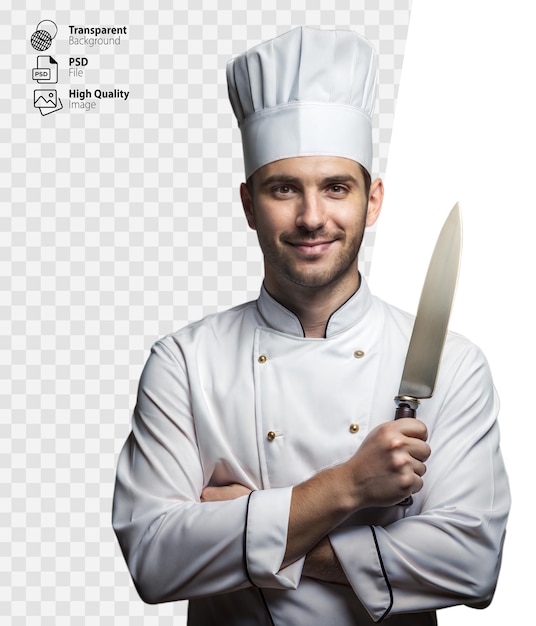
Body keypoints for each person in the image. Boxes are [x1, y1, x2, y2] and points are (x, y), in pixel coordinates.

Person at [112, 26, 510, 625]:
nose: (312, 217)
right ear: (249, 204)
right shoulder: (184, 362)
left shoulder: (451, 363)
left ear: (371, 201)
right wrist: (349, 487)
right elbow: (153, 558)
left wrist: (249, 527)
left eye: (336, 187)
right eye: (283, 189)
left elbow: (472, 563)